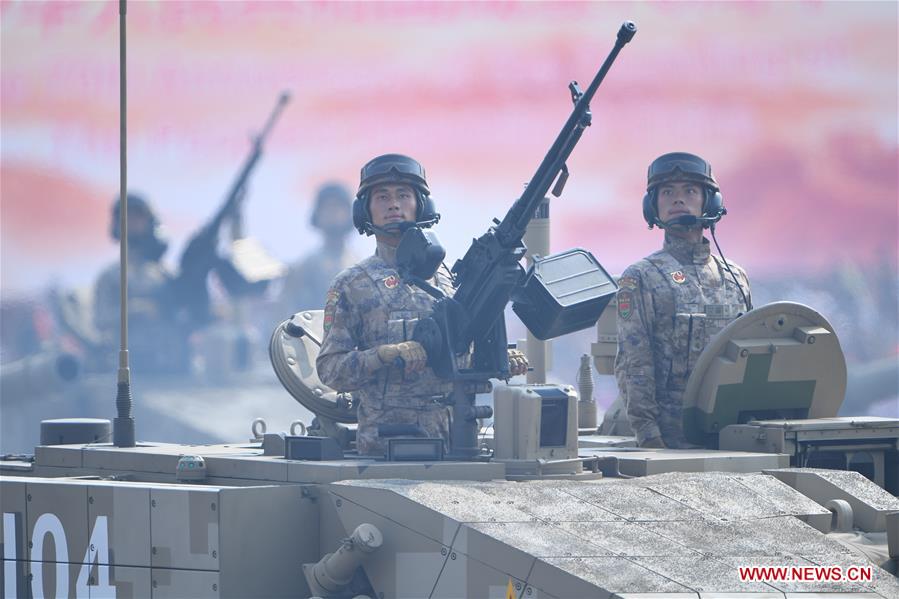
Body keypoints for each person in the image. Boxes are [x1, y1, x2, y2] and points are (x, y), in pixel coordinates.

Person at [316, 154, 527, 456]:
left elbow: (459, 348)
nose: (394, 204)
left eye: (403, 195)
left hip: (460, 442)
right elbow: (330, 370)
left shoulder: (447, 280)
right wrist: (384, 355)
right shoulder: (351, 284)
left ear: (421, 206)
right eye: (382, 197)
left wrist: (501, 355)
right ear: (365, 210)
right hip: (389, 451)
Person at [614, 152, 752, 448]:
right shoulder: (640, 278)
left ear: (710, 202)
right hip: (673, 443)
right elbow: (634, 364)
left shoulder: (736, 277)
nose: (678, 200)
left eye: (689, 191)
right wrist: (649, 436)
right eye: (667, 192)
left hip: (733, 437)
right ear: (653, 206)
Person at [276, 183, 356, 317]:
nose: (333, 212)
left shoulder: (358, 264)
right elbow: (285, 313)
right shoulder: (304, 267)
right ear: (317, 215)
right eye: (328, 207)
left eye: (339, 207)